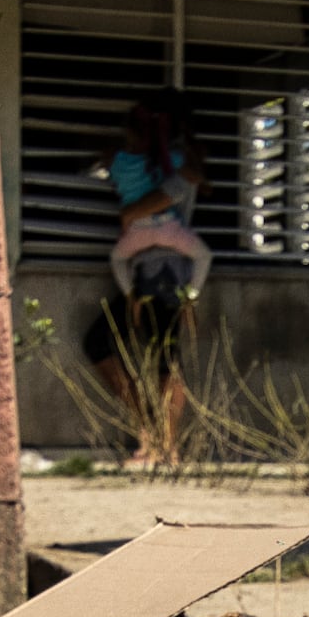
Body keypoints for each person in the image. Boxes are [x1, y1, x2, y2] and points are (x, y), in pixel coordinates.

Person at [86, 93, 208, 469]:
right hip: (142, 271)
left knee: (165, 361)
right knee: (105, 343)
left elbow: (191, 185)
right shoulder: (162, 162)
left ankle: (165, 447)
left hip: (169, 272)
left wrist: (137, 208)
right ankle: (151, 433)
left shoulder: (179, 165)